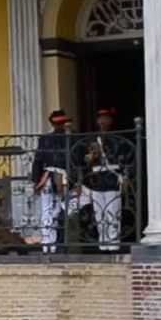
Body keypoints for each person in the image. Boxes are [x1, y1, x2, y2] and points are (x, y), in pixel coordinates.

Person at [80, 108, 134, 252]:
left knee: (113, 212)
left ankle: (113, 243)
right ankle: (103, 243)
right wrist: (91, 157)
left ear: (110, 121)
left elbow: (126, 159)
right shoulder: (92, 139)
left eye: (105, 118)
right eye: (100, 119)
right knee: (99, 213)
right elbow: (85, 162)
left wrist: (125, 176)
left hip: (112, 178)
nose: (102, 121)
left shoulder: (118, 139)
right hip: (96, 179)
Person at [31, 110, 74, 254]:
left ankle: (54, 243)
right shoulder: (45, 139)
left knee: (59, 210)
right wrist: (36, 180)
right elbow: (38, 160)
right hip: (49, 177)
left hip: (65, 178)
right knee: (48, 211)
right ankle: (49, 244)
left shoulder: (70, 138)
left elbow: (74, 159)